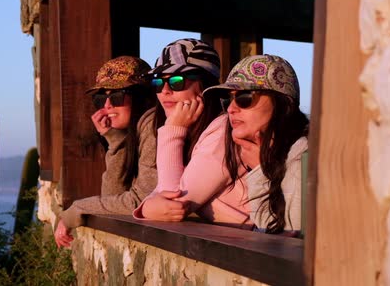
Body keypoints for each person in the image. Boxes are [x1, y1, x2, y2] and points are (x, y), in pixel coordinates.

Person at [135, 54, 308, 236]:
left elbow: (286, 236)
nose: (231, 109)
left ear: (283, 103)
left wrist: (172, 130)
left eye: (245, 98)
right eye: (228, 99)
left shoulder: (301, 156)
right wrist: (146, 207)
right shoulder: (250, 144)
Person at [55, 55, 156, 248]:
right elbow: (113, 193)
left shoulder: (153, 126)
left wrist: (77, 209)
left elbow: (141, 202)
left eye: (117, 96)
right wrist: (115, 139)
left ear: (141, 96)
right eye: (101, 98)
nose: (108, 106)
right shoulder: (136, 133)